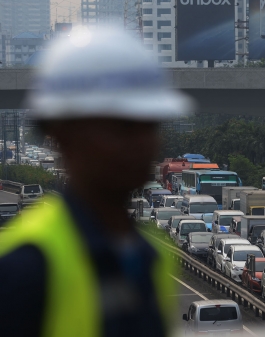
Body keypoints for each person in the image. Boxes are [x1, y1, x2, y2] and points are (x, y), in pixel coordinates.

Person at [0, 28, 191, 337]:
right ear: (62, 134)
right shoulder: (27, 264)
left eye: (150, 125)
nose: (142, 143)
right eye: (122, 127)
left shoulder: (152, 256)